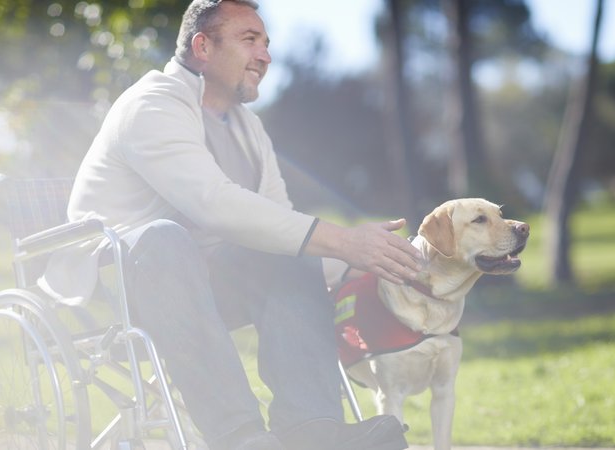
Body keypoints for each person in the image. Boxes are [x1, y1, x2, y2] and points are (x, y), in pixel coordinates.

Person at [42, 1, 422, 449]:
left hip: (207, 282)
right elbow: (212, 204)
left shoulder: (249, 128)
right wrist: (343, 241)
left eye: (266, 44)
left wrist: (377, 261)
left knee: (293, 249)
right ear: (203, 46)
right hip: (120, 286)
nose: (265, 55)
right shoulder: (151, 105)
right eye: (249, 40)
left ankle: (312, 430)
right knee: (165, 238)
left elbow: (281, 224)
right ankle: (238, 437)